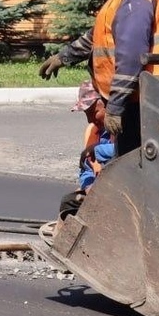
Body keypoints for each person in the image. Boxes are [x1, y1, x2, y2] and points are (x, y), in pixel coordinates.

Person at [38, 0, 159, 155]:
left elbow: (131, 56)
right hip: (136, 98)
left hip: (141, 102)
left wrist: (116, 106)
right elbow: (97, 37)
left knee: (134, 166)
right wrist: (64, 57)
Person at [58, 81, 115, 220]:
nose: (90, 119)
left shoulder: (126, 125)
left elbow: (128, 152)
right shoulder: (94, 132)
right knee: (68, 203)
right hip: (100, 192)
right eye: (86, 114)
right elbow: (86, 169)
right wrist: (88, 186)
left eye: (93, 112)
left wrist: (98, 150)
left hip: (123, 191)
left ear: (106, 105)